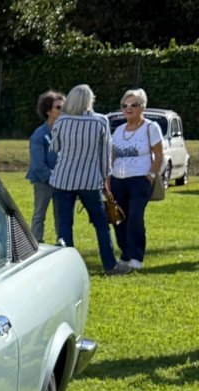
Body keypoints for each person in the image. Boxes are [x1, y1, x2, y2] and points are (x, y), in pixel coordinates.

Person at [50, 83, 127, 276]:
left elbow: (55, 148)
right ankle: (110, 265)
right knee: (101, 224)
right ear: (89, 100)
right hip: (90, 181)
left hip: (62, 179)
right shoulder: (100, 122)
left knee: (64, 225)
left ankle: (67, 268)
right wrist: (105, 179)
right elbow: (104, 155)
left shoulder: (61, 121)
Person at [108, 88, 163, 271]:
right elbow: (112, 157)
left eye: (133, 105)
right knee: (119, 219)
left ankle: (136, 257)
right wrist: (107, 179)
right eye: (125, 105)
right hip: (118, 180)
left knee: (135, 218)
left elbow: (159, 154)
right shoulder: (118, 131)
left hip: (139, 181)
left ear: (142, 107)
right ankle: (125, 255)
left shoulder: (150, 127)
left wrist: (150, 175)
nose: (128, 108)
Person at [27, 90, 62, 242]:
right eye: (59, 108)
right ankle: (37, 242)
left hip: (61, 181)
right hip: (43, 181)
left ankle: (62, 242)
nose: (63, 111)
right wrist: (53, 178)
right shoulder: (39, 135)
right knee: (39, 214)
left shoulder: (66, 131)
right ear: (48, 111)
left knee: (61, 215)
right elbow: (38, 165)